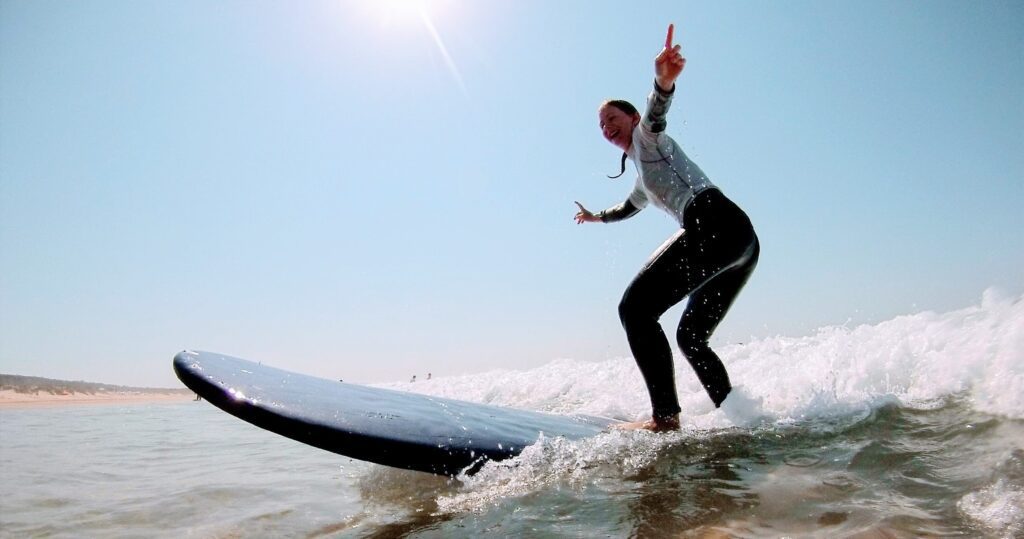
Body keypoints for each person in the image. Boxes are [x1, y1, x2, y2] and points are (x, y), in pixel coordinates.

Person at [574, 24, 760, 432]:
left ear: (632, 118)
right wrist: (595, 217)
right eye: (601, 125)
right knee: (691, 337)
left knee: (634, 309)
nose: (607, 127)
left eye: (612, 118)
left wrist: (662, 82)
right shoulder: (643, 178)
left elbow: (656, 115)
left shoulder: (647, 141)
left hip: (713, 221)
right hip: (740, 240)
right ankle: (744, 419)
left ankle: (665, 419)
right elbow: (627, 208)